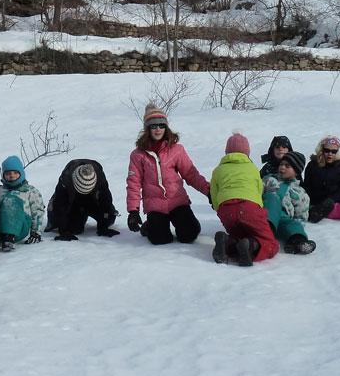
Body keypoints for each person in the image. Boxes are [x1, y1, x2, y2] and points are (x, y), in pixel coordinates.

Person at [126, 103, 210, 245]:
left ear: (166, 127)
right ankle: (150, 226)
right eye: (154, 126)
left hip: (177, 202)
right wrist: (133, 211)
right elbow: (133, 183)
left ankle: (184, 223)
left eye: (161, 125)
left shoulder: (176, 149)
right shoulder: (138, 155)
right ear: (147, 128)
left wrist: (209, 191)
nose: (158, 129)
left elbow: (191, 174)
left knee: (189, 235)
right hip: (155, 205)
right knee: (160, 239)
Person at [209, 133, 277, 266]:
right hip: (249, 207)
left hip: (226, 210)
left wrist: (220, 210)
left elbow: (214, 193)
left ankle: (227, 241)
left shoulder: (218, 170)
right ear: (247, 152)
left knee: (239, 235)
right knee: (270, 242)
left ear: (226, 152)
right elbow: (259, 191)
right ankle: (251, 246)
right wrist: (259, 211)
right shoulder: (252, 168)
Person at [0, 155, 45, 251]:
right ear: (3, 175)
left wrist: (36, 232)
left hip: (19, 227)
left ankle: (8, 237)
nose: (12, 175)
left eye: (15, 173)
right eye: (8, 173)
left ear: (21, 174)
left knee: (10, 200)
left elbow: (37, 211)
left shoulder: (30, 191)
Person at [47, 159, 119, 241]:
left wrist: (104, 226)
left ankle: (87, 213)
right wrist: (63, 231)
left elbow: (106, 200)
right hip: (73, 201)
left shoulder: (99, 176)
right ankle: (78, 215)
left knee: (110, 217)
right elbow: (60, 205)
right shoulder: (66, 179)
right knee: (74, 229)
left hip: (91, 199)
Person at [262, 150, 317, 255]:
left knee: (294, 225)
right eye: (281, 164)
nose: (282, 167)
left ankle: (297, 242)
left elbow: (301, 213)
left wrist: (297, 225)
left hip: (283, 219)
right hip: (266, 214)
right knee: (272, 197)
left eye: (287, 166)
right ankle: (266, 229)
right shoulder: (269, 179)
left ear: (296, 171)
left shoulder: (299, 191)